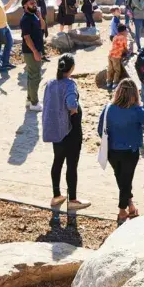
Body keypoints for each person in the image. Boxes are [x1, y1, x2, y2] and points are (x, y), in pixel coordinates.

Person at [97, 78, 144, 223]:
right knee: (125, 180)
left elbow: (100, 130)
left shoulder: (108, 108)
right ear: (134, 94)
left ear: (118, 92)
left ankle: (131, 206)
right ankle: (122, 211)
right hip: (130, 151)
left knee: (122, 178)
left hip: (112, 152)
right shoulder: (136, 110)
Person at [42, 54, 90, 210]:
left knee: (57, 161)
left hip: (57, 131)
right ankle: (73, 200)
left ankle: (56, 196)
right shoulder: (69, 84)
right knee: (72, 165)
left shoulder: (50, 84)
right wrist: (74, 108)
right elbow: (71, 104)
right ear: (71, 68)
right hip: (71, 131)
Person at [20, 0, 46, 111]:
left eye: (35, 3)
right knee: (35, 76)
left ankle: (30, 99)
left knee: (32, 76)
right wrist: (35, 51)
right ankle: (34, 103)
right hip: (31, 52)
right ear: (25, 6)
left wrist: (40, 16)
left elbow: (43, 27)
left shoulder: (34, 16)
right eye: (31, 3)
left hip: (35, 50)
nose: (34, 5)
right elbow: (27, 37)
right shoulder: (25, 19)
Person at [107, 24, 129, 91]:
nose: (127, 32)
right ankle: (115, 83)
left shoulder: (115, 37)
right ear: (123, 31)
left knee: (110, 69)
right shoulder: (123, 38)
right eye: (126, 31)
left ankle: (108, 82)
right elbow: (125, 48)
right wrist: (128, 52)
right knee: (117, 70)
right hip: (116, 56)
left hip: (110, 55)